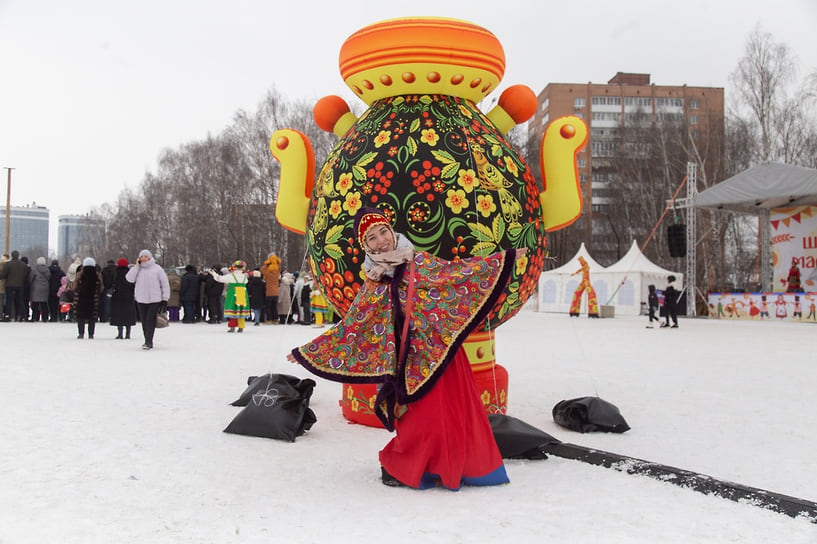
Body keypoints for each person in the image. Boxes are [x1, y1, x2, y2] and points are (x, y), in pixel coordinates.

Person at [288, 207, 520, 490]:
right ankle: (417, 468)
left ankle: (466, 466)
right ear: (365, 247)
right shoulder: (374, 281)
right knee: (419, 422)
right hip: (406, 364)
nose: (381, 240)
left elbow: (458, 274)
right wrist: (308, 352)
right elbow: (351, 326)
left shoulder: (420, 262)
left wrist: (501, 260)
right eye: (371, 238)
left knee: (454, 414)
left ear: (392, 231)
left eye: (383, 231)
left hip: (441, 355)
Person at [126, 249, 170, 350]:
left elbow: (164, 284)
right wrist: (136, 266)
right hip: (141, 299)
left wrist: (165, 298)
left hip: (155, 299)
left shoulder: (157, 269)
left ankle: (149, 341)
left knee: (150, 319)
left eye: (145, 257)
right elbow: (129, 279)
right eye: (141, 257)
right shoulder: (137, 269)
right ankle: (147, 338)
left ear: (149, 257)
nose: (143, 259)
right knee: (144, 320)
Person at [209, 260, 251, 333]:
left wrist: (213, 274)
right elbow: (246, 282)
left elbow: (220, 279)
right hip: (242, 294)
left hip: (233, 294)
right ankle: (241, 327)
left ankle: (232, 327)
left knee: (233, 311)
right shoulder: (244, 277)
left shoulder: (231, 276)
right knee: (240, 310)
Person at [73, 257, 104, 339]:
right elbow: (101, 288)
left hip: (81, 298)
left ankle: (81, 333)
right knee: (92, 317)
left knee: (81, 317)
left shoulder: (80, 274)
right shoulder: (97, 275)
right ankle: (91, 334)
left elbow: (74, 286)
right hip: (93, 299)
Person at [109, 258, 137, 339]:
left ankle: (120, 333)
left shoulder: (115, 272)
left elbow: (112, 283)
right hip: (128, 296)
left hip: (117, 296)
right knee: (128, 315)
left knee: (119, 315)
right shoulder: (130, 272)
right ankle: (128, 333)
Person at [0, 250, 27, 321]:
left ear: (12, 255)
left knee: (9, 300)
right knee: (20, 300)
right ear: (18, 255)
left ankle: (7, 315)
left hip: (9, 285)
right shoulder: (23, 264)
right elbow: (25, 275)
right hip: (20, 285)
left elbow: (3, 275)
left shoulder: (8, 264)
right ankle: (22, 315)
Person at [28, 257, 51, 322]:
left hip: (36, 288)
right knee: (44, 304)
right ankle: (45, 317)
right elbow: (49, 277)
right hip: (45, 288)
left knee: (35, 304)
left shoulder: (34, 269)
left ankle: (35, 317)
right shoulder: (47, 270)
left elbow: (30, 278)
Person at [260, 253, 281, 324]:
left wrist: (267, 263)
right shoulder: (277, 274)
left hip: (269, 292)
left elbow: (262, 269)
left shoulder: (268, 275)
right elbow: (279, 268)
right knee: (274, 307)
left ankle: (269, 319)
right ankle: (275, 319)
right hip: (276, 293)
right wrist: (276, 262)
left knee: (268, 307)